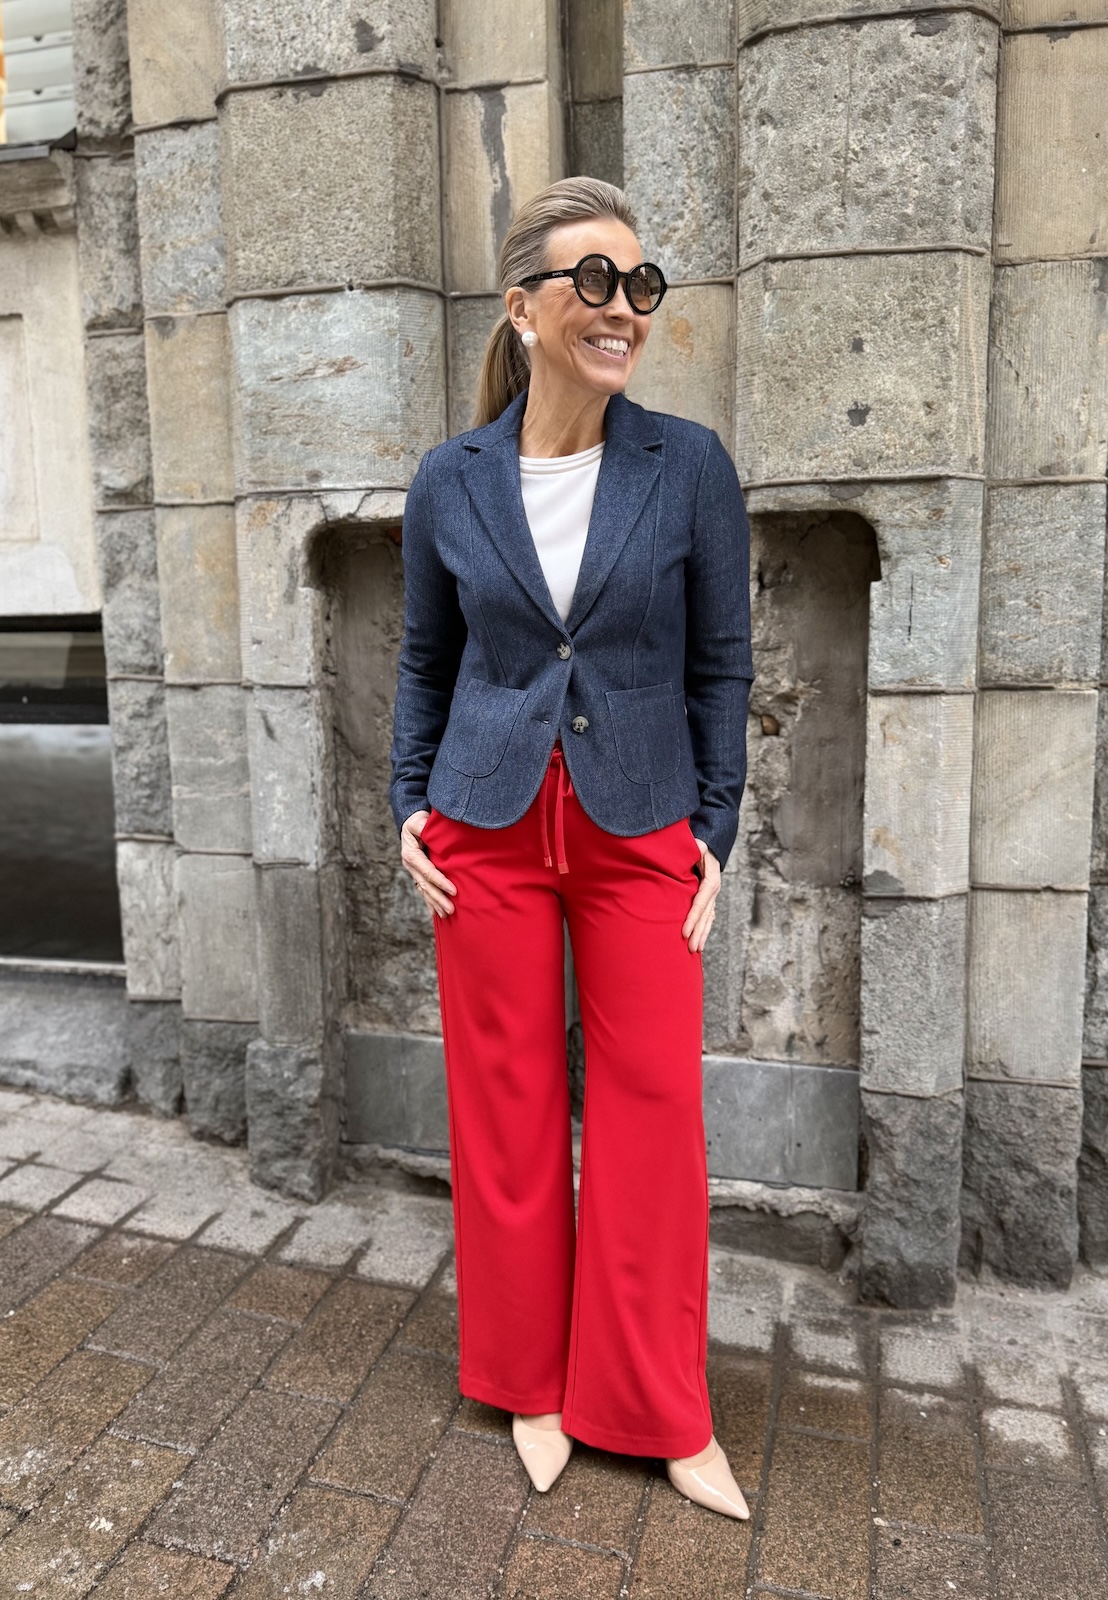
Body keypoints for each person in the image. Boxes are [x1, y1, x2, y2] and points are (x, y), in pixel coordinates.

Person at [388, 176, 755, 1519]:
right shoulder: (452, 479)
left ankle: (659, 1406)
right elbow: (425, 659)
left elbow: (723, 663)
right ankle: (528, 1380)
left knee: (655, 1113)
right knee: (507, 1110)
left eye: (639, 285)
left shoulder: (688, 466)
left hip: (639, 822)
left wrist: (713, 829)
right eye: (593, 281)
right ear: (524, 307)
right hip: (481, 826)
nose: (622, 308)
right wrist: (406, 806)